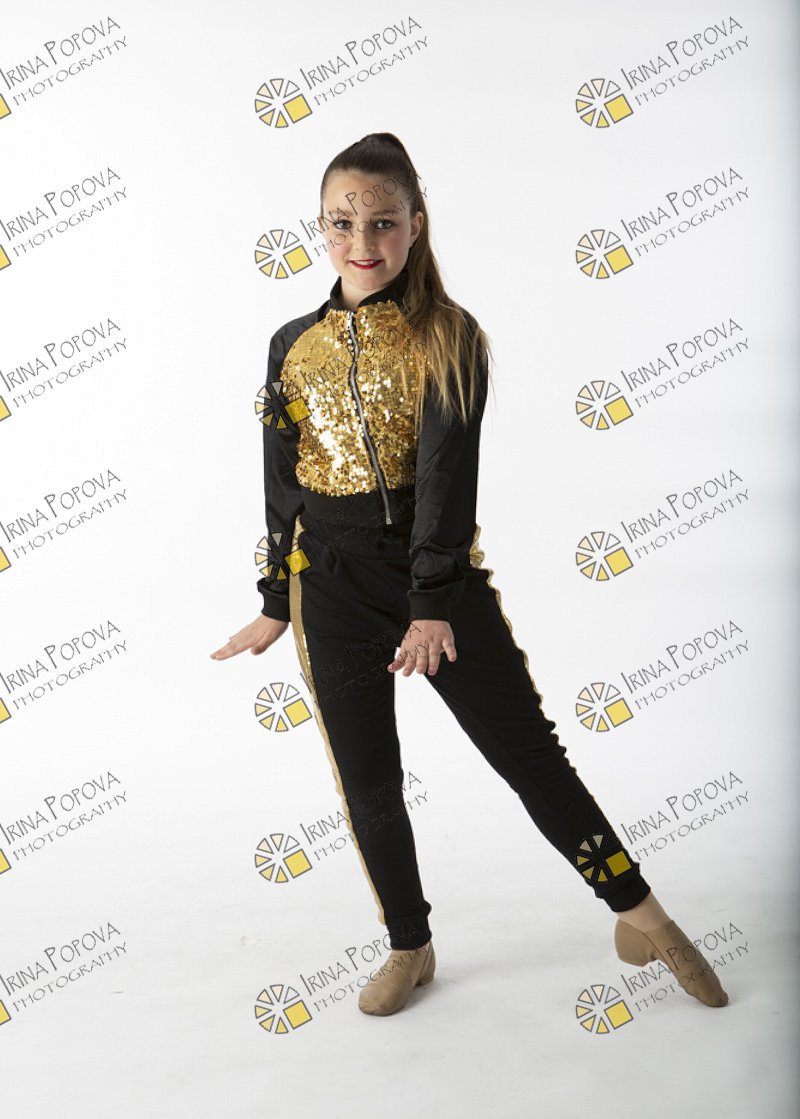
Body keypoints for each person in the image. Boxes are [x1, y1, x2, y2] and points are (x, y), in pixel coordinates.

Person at [211, 132, 730, 1018]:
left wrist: (429, 604)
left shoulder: (448, 336)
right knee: (368, 780)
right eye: (341, 223)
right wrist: (272, 599)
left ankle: (642, 912)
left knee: (530, 756)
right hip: (325, 585)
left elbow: (447, 485)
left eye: (383, 221)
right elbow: (282, 481)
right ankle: (409, 942)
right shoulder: (290, 344)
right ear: (320, 227)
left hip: (433, 584)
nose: (362, 241)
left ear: (416, 224)